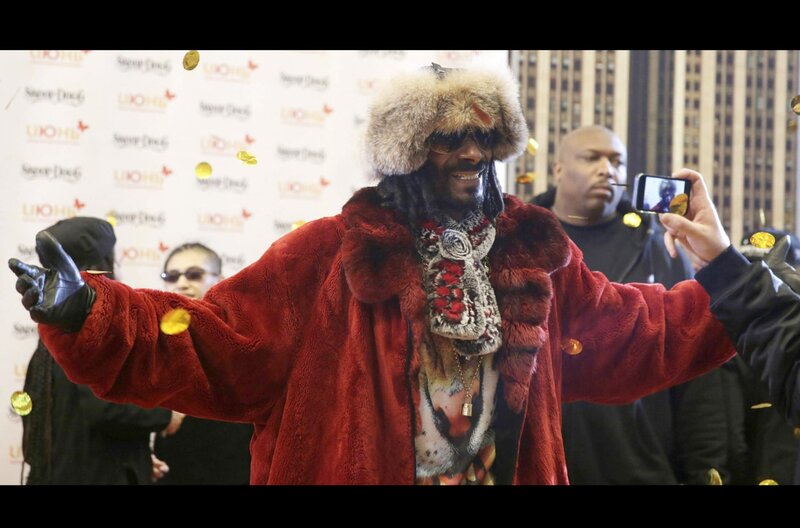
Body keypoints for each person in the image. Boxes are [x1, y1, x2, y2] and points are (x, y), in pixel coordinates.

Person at [9, 64, 737, 485]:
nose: (470, 155)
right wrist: (89, 312)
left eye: (483, 138)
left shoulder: (532, 252)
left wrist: (742, 290)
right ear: (407, 151)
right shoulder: (329, 255)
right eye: (447, 138)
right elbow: (210, 340)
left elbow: (633, 331)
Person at [531, 125, 726, 485]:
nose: (607, 169)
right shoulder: (522, 246)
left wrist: (706, 470)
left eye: (617, 161)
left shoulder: (660, 247)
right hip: (543, 462)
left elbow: (697, 372)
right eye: (592, 158)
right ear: (558, 169)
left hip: (640, 465)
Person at [19, 217, 182, 485]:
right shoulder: (91, 320)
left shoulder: (58, 325)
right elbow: (105, 408)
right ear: (103, 264)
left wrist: (138, 458)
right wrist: (166, 414)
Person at [153, 243, 252, 485]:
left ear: (220, 280)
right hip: (173, 469)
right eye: (172, 276)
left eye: (194, 274)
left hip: (237, 469)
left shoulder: (246, 334)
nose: (182, 283)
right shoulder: (153, 339)